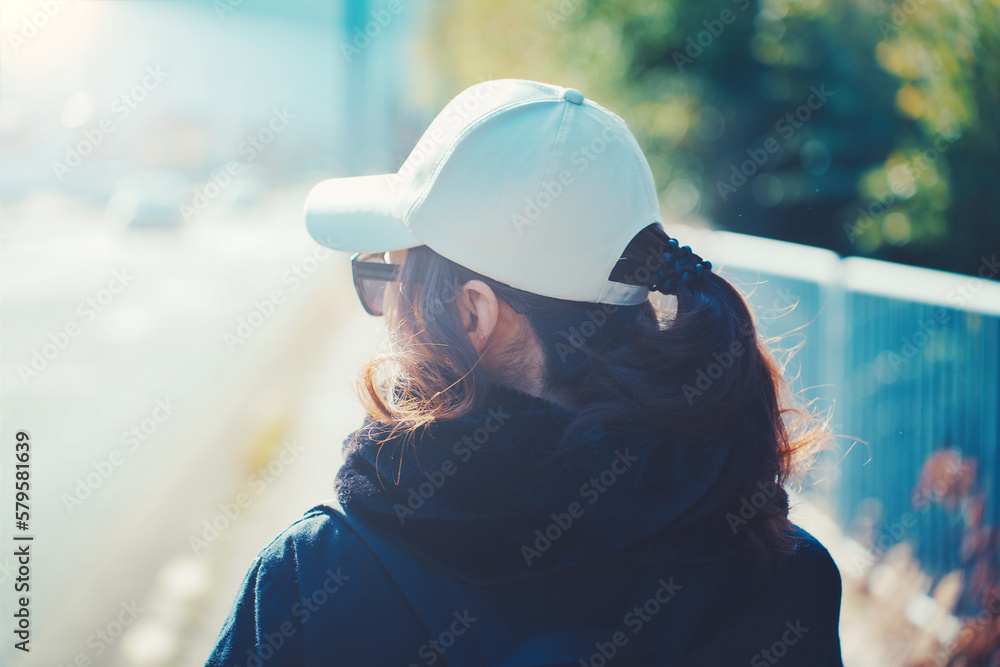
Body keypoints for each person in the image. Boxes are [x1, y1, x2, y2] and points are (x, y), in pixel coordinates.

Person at [206, 79, 843, 666]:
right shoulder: (782, 572)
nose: (385, 310)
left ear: (472, 312)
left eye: (390, 275)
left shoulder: (316, 578)